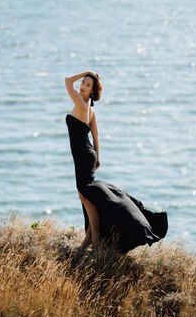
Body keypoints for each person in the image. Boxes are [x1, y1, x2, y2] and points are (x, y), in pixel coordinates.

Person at [65, 71, 168, 252]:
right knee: (85, 195)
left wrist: (86, 72)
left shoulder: (82, 104)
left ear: (92, 91)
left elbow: (67, 81)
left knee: (84, 193)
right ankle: (90, 237)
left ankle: (94, 239)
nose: (82, 86)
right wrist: (98, 156)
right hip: (88, 153)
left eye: (88, 85)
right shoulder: (90, 108)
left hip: (82, 154)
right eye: (83, 82)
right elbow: (95, 134)